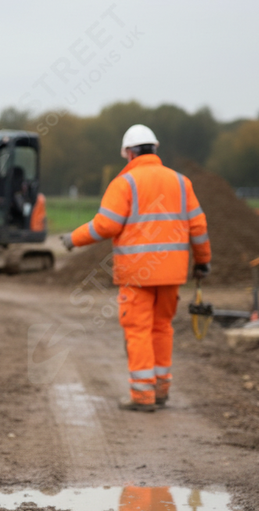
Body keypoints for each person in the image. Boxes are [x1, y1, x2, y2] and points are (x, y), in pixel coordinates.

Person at [60, 124, 211, 412]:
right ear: (154, 149)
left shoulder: (124, 183)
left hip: (137, 274)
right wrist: (203, 261)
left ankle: (142, 396)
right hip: (172, 274)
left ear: (129, 153)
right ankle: (161, 390)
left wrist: (73, 239)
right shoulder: (181, 182)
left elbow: (106, 225)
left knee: (138, 330)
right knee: (162, 328)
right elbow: (198, 227)